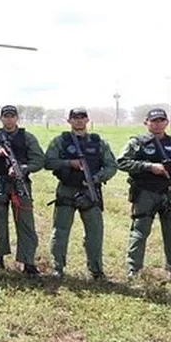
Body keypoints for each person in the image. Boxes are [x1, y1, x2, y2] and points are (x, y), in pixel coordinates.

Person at [117, 108, 171, 289]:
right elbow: (121, 162)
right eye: (154, 121)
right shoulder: (136, 143)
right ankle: (133, 271)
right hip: (145, 194)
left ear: (167, 122)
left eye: (161, 120)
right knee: (139, 233)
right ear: (146, 122)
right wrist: (149, 166)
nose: (158, 123)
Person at [44, 107, 117, 280]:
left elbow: (111, 166)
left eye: (82, 117)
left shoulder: (99, 142)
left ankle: (96, 271)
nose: (78, 120)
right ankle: (58, 268)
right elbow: (48, 162)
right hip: (66, 190)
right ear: (69, 121)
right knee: (60, 232)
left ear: (87, 120)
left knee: (95, 233)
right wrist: (70, 163)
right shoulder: (60, 141)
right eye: (75, 117)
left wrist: (96, 178)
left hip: (90, 192)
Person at [0, 105, 45, 275]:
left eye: (12, 116)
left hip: (20, 184)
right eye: (6, 116)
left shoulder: (27, 137)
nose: (9, 119)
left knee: (25, 222)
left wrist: (23, 168)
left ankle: (28, 261)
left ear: (17, 118)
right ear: (1, 118)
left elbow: (40, 160)